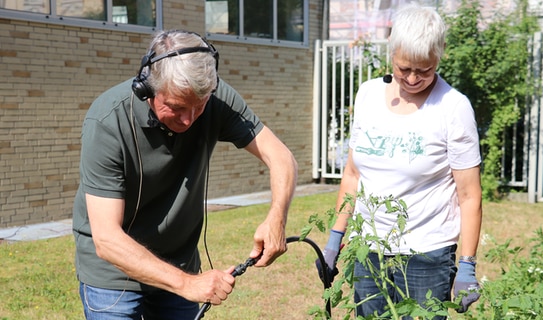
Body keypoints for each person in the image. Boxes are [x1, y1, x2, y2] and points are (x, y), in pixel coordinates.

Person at [72, 29, 298, 319]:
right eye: (177, 107)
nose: (189, 119)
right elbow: (106, 239)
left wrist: (276, 216)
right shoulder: (106, 121)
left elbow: (281, 156)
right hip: (114, 273)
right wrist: (188, 284)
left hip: (179, 261)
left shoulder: (214, 97)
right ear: (147, 90)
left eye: (199, 106)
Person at [316, 4, 482, 319]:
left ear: (439, 57)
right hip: (369, 250)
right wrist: (334, 241)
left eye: (425, 69)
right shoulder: (367, 95)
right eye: (405, 68)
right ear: (392, 52)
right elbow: (353, 175)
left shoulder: (453, 107)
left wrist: (467, 266)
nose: (413, 78)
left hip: (426, 256)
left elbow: (469, 194)